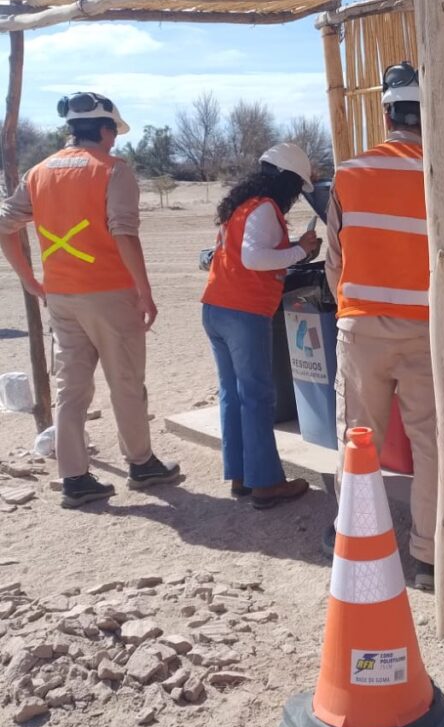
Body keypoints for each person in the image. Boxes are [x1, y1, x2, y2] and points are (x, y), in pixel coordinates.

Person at [324, 61, 444, 589]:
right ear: (428, 115)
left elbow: (334, 260)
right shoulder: (443, 172)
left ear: (386, 114)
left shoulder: (349, 173)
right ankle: (430, 557)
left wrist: (355, 306)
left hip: (361, 329)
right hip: (426, 331)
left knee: (359, 438)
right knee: (434, 442)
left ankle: (354, 543)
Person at [0, 91, 180, 508]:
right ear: (102, 129)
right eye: (113, 131)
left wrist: (30, 280)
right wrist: (145, 292)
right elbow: (123, 232)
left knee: (71, 389)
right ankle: (141, 463)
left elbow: (5, 224)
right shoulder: (114, 170)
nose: (114, 139)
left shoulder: (38, 172)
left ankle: (75, 478)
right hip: (110, 294)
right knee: (126, 383)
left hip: (61, 295)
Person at [201, 143, 319, 509]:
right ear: (287, 181)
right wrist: (301, 249)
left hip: (216, 307)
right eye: (298, 188)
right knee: (256, 397)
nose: (297, 197)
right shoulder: (266, 208)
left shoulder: (238, 205)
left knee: (232, 394)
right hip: (244, 311)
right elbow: (256, 258)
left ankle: (241, 474)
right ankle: (266, 483)